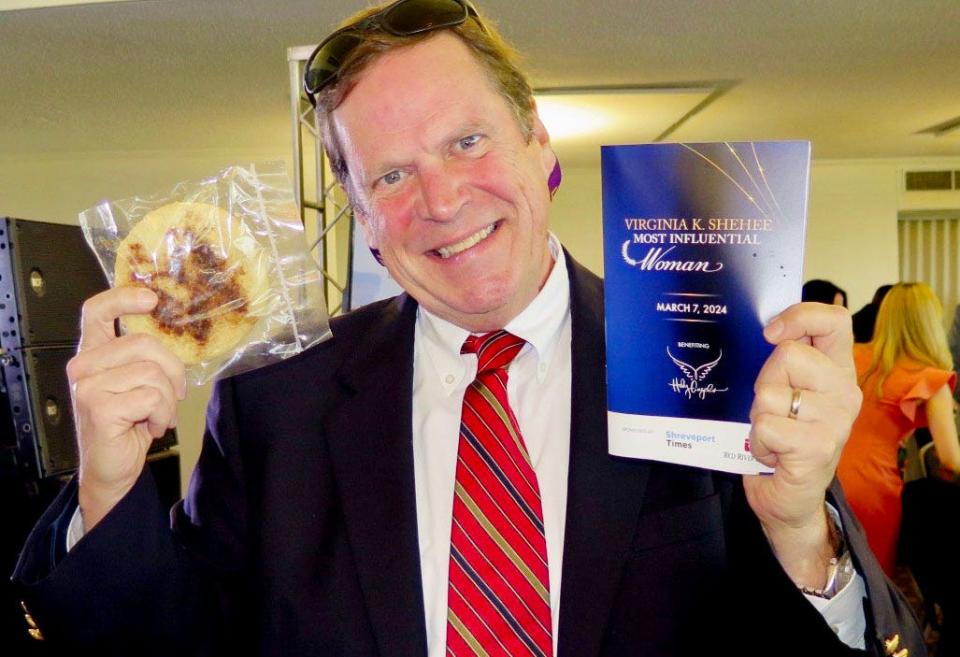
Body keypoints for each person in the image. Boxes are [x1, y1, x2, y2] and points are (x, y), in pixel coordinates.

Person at [12, 1, 921, 655]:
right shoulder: (271, 405)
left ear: (537, 139)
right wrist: (109, 486)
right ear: (361, 214)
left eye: (468, 142)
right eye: (393, 176)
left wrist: (802, 531)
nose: (442, 201)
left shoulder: (707, 357)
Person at [838, 282, 960, 577]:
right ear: (930, 321)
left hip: (828, 474)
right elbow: (951, 460)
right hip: (874, 488)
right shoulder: (930, 376)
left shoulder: (852, 356)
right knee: (873, 580)